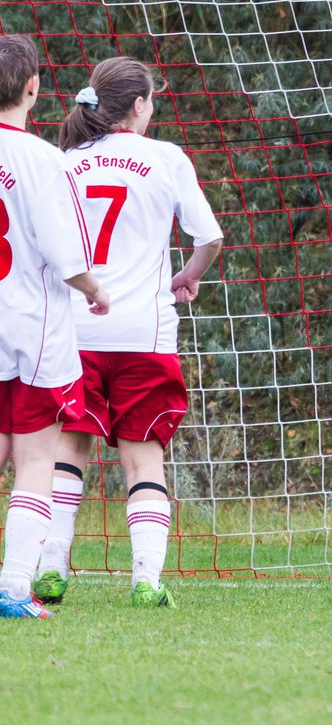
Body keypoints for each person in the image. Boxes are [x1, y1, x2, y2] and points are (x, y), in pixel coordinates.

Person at [31, 57, 223, 608]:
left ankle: (50, 567)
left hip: (74, 332)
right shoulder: (165, 158)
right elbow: (208, 238)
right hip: (145, 334)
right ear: (139, 106)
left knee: (69, 450)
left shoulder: (64, 163)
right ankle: (145, 581)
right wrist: (188, 276)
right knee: (143, 460)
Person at [0, 35, 110, 619]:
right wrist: (95, 292)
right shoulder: (43, 159)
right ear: (34, 89)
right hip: (29, 329)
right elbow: (67, 256)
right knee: (36, 458)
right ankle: (15, 589)